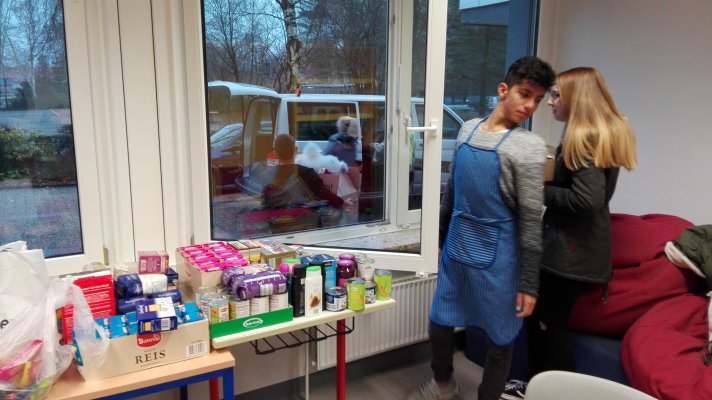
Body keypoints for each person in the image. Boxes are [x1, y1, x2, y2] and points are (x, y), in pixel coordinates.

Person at [408, 56, 555, 400]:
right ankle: (443, 384)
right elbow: (451, 193)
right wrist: (441, 239)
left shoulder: (528, 147)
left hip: (500, 261)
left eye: (537, 99)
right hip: (458, 249)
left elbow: (531, 220)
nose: (530, 106)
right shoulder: (467, 129)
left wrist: (528, 284)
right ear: (503, 90)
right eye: (525, 94)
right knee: (439, 323)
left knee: (499, 339)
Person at [501, 67, 638, 400]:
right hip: (576, 249)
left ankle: (554, 392)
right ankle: (533, 387)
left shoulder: (585, 138)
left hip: (570, 255)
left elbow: (586, 200)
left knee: (549, 326)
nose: (550, 102)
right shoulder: (597, 132)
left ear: (577, 99)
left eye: (556, 95)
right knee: (540, 321)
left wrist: (538, 190)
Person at [262, 133, 354, 210]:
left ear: (275, 152)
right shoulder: (306, 172)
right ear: (295, 150)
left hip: (275, 222)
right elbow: (324, 194)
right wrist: (342, 202)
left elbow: (266, 202)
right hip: (301, 221)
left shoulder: (268, 175)